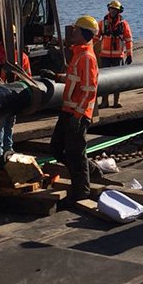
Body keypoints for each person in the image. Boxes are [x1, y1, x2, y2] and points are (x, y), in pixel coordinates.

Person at [49, 15, 99, 202]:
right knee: (56, 149)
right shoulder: (78, 53)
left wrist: (78, 116)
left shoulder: (87, 57)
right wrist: (57, 77)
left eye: (77, 30)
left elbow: (89, 90)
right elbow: (74, 79)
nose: (73, 32)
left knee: (75, 155)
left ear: (84, 33)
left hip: (77, 115)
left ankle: (81, 193)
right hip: (68, 111)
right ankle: (91, 169)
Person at [0, 24, 31, 160]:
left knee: (9, 123)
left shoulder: (21, 55)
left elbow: (28, 78)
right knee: (0, 124)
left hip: (13, 95)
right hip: (0, 95)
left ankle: (8, 150)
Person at [97, 0, 133, 108]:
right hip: (105, 56)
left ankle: (116, 102)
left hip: (118, 56)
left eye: (115, 10)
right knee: (104, 80)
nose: (113, 11)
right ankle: (104, 102)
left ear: (119, 11)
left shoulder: (123, 24)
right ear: (109, 9)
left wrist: (130, 54)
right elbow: (95, 38)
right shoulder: (102, 23)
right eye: (111, 9)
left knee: (118, 80)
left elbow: (128, 39)